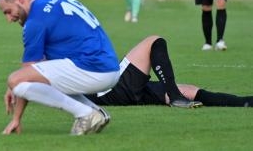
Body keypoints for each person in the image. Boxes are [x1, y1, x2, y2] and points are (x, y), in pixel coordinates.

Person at [0, 0, 120, 136]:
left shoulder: (35, 21)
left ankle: (86, 114)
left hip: (93, 68)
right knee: (28, 79)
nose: (9, 19)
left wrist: (16, 117)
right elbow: (40, 68)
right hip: (110, 66)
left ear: (20, 0)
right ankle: (96, 112)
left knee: (15, 81)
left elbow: (25, 75)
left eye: (8, 11)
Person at [86, 35, 252, 107]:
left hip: (112, 90)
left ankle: (246, 102)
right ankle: (175, 98)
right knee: (154, 41)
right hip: (109, 89)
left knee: (189, 90)